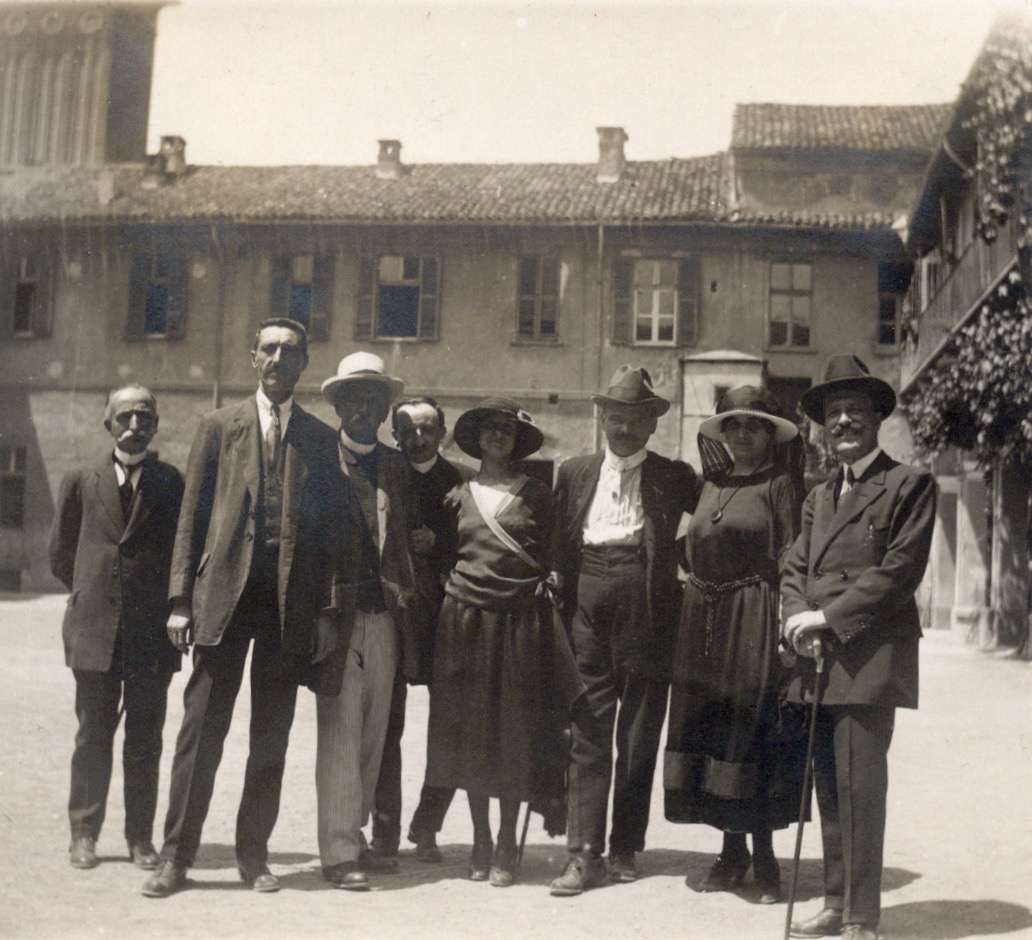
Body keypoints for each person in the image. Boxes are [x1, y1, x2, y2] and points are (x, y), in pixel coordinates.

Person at [142, 318, 351, 898]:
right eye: (269, 349)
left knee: (271, 737)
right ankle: (175, 857)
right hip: (222, 600)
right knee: (200, 732)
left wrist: (329, 609)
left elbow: (333, 533)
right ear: (251, 359)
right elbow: (192, 518)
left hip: (287, 605)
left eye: (290, 351)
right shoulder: (218, 427)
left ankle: (254, 855)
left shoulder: (318, 437)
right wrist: (181, 600)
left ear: (305, 363)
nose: (279, 358)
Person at [782, 355, 936, 940]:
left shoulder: (908, 483)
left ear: (876, 418)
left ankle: (862, 916)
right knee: (829, 785)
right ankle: (833, 901)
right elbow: (794, 563)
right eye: (832, 413)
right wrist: (796, 614)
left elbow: (898, 572)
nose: (842, 421)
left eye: (854, 410)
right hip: (818, 658)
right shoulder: (819, 497)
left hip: (868, 659)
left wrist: (827, 616)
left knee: (861, 787)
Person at [550, 366, 700, 896]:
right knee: (588, 725)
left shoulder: (676, 476)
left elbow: (715, 514)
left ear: (651, 425)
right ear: (603, 418)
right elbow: (557, 543)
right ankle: (582, 853)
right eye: (617, 418)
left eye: (636, 420)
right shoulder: (573, 472)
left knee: (638, 731)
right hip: (587, 593)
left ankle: (625, 846)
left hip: (647, 601)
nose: (625, 429)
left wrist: (681, 565)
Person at [663, 386, 804, 903]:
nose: (742, 434)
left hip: (754, 616)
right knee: (713, 732)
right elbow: (687, 544)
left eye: (754, 425)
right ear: (722, 434)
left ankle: (764, 857)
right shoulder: (708, 486)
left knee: (751, 729)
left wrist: (789, 626)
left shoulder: (780, 485)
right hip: (704, 619)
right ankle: (730, 850)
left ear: (770, 435)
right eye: (734, 426)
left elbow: (792, 557)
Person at [424, 398, 566, 888]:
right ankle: (481, 839)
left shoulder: (539, 496)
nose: (498, 436)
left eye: (507, 429)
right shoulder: (457, 495)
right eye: (490, 429)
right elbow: (444, 557)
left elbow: (553, 555)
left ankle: (508, 841)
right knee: (469, 733)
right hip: (463, 622)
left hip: (518, 624)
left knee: (512, 733)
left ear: (517, 439)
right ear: (477, 437)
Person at [49, 385, 184, 871]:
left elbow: (180, 554)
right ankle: (84, 834)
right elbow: (61, 554)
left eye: (144, 417)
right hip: (95, 629)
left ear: (155, 424)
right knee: (93, 735)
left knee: (146, 739)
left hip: (150, 636)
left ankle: (139, 839)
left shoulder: (172, 483)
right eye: (125, 416)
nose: (134, 425)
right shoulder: (81, 479)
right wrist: (92, 594)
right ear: (108, 423)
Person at [315, 352, 424, 891]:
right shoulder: (317, 460)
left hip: (385, 617)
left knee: (374, 735)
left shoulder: (396, 468)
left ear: (385, 409)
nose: (362, 409)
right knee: (339, 734)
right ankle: (337, 854)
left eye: (373, 400)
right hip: (336, 617)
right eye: (352, 398)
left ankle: (354, 836)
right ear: (338, 405)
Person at [381, 396, 470, 864]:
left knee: (449, 724)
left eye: (427, 429)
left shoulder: (461, 483)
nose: (417, 438)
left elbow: (476, 548)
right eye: (407, 430)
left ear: (443, 433)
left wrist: (443, 543)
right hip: (395, 616)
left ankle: (428, 824)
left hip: (444, 616)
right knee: (386, 724)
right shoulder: (383, 473)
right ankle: (384, 829)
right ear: (394, 434)